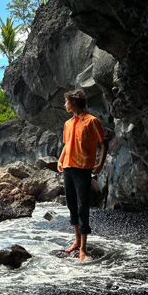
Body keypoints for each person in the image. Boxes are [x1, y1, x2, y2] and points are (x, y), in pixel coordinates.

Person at [57, 90, 108, 261]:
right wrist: (60, 159)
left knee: (82, 206)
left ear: (74, 102)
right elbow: (67, 145)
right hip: (68, 167)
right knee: (71, 205)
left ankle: (83, 248)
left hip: (83, 168)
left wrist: (100, 163)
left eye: (66, 102)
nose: (65, 105)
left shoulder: (92, 121)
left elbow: (104, 141)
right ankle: (77, 241)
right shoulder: (68, 124)